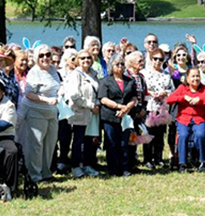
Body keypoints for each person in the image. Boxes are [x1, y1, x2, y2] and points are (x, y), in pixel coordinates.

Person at [19, 45, 62, 183]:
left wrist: (61, 93)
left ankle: (46, 172)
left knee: (50, 144)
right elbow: (29, 94)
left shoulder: (53, 70)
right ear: (37, 57)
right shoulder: (34, 72)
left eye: (48, 55)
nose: (45, 58)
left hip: (52, 112)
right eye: (41, 55)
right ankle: (34, 175)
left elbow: (57, 87)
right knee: (36, 144)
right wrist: (46, 100)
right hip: (35, 111)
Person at [166, 68, 205, 172]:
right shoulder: (182, 88)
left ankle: (203, 161)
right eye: (193, 76)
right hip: (183, 119)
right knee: (183, 135)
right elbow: (169, 100)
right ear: (187, 78)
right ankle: (182, 163)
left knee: (200, 135)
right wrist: (183, 98)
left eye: (197, 76)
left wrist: (201, 99)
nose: (195, 78)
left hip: (199, 119)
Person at [63, 50, 102, 178]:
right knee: (78, 140)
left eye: (88, 58)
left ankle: (88, 164)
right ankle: (76, 167)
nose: (86, 60)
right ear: (78, 60)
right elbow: (74, 95)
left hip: (93, 113)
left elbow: (97, 91)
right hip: (79, 112)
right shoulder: (75, 75)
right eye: (83, 58)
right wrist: (90, 105)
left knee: (91, 140)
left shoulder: (94, 74)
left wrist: (96, 104)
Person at [98, 55, 138, 177]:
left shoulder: (129, 81)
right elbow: (103, 99)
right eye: (117, 64)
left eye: (122, 64)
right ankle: (113, 169)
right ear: (111, 66)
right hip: (110, 116)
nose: (120, 66)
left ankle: (125, 167)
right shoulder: (105, 81)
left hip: (126, 117)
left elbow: (134, 97)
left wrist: (127, 108)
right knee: (112, 143)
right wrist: (119, 106)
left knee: (124, 143)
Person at [141, 49, 173, 169]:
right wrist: (151, 93)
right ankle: (147, 159)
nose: (158, 62)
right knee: (149, 133)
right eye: (155, 59)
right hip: (150, 106)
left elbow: (172, 90)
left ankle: (158, 158)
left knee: (160, 134)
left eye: (160, 59)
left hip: (163, 108)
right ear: (151, 58)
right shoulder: (144, 73)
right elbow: (141, 89)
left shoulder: (166, 74)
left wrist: (165, 92)